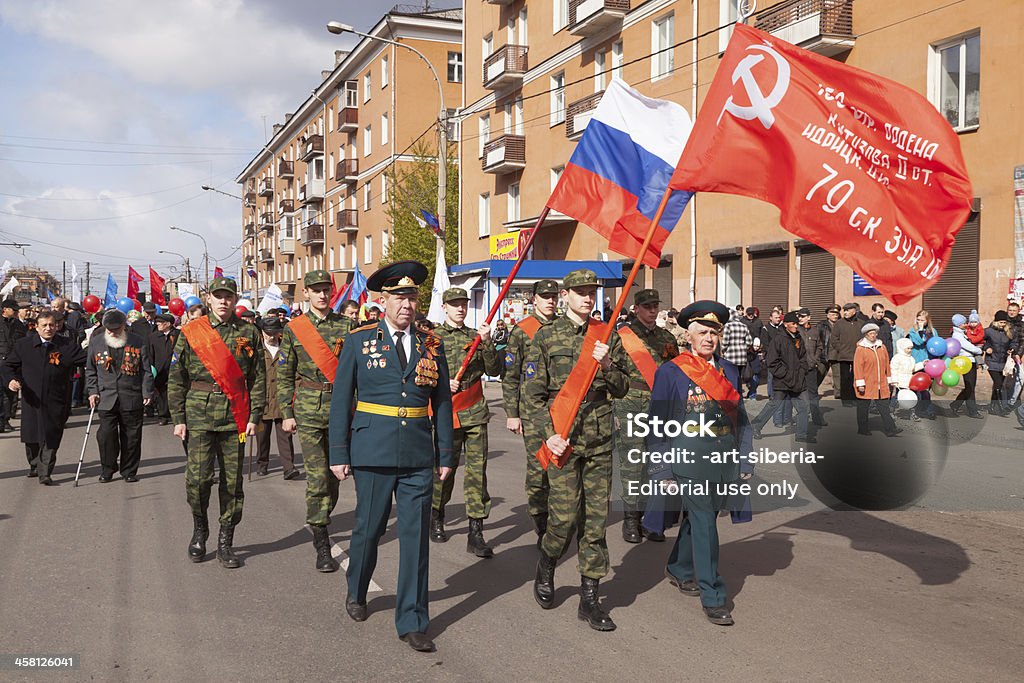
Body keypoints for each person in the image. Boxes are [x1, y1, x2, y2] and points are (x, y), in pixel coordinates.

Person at [328, 260, 454, 653]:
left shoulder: (431, 344)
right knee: (369, 528)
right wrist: (339, 452)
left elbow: (444, 402)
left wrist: (445, 452)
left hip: (417, 452)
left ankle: (413, 619)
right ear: (382, 300)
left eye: (412, 297)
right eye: (399, 297)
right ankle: (358, 589)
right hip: (373, 450)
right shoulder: (358, 340)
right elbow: (341, 400)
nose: (407, 304)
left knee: (416, 539)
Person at [524, 269, 629, 632]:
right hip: (564, 438)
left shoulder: (606, 335)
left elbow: (623, 387)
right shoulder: (545, 336)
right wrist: (548, 434)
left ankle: (590, 597)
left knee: (596, 521)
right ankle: (547, 563)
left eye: (592, 292)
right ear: (565, 294)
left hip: (599, 439)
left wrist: (608, 363)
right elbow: (532, 396)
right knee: (564, 519)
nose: (588, 298)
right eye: (581, 292)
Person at [646, 301, 754, 626]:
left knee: (699, 519)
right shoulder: (671, 371)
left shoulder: (729, 371)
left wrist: (745, 458)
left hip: (722, 459)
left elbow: (742, 421)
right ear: (688, 336)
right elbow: (657, 423)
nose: (709, 338)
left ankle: (679, 567)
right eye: (703, 332)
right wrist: (662, 468)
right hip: (688, 458)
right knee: (706, 521)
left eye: (714, 332)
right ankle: (714, 595)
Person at [168, 277, 265, 569]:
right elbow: (176, 377)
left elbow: (258, 377)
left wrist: (255, 415)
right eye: (218, 296)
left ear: (235, 300)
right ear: (208, 299)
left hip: (234, 415)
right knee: (197, 481)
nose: (223, 301)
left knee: (232, 483)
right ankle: (200, 529)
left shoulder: (248, 331)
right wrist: (178, 418)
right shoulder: (191, 331)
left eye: (229, 296)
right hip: (198, 415)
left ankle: (226, 541)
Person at [278, 270, 351, 572]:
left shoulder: (347, 326)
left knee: (336, 477)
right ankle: (321, 539)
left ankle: (323, 515)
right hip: (308, 408)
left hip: (341, 407)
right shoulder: (295, 329)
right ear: (305, 294)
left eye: (326, 289)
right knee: (318, 475)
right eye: (316, 290)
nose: (322, 295)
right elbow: (284, 375)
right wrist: (286, 413)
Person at [430, 287, 502, 557]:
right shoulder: (432, 338)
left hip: (474, 410)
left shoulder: (476, 336)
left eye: (463, 304)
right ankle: (437, 515)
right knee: (444, 469)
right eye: (455, 304)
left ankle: (476, 530)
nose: (460, 308)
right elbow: (420, 373)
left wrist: (487, 342)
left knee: (477, 472)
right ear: (445, 307)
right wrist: (439, 382)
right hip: (447, 412)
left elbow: (494, 371)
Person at [612, 288, 678, 543]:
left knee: (658, 463)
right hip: (631, 403)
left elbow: (676, 371)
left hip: (661, 405)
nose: (652, 310)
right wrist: (614, 407)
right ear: (636, 309)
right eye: (647, 306)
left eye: (655, 305)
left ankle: (651, 519)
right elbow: (610, 374)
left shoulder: (666, 337)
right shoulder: (622, 337)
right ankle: (631, 519)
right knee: (633, 463)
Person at [501, 279, 559, 545]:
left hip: (562, 409)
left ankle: (560, 520)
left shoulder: (563, 327)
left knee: (562, 468)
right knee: (538, 469)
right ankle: (541, 521)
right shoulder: (522, 331)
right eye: (545, 296)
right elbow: (511, 376)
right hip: (533, 411)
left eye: (554, 296)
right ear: (534, 299)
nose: (550, 301)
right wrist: (512, 413)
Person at [1, 310, 87, 484]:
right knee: (32, 436)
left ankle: (45, 471)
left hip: (57, 398)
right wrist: (11, 380)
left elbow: (85, 359)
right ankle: (34, 465)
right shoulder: (24, 345)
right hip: (31, 398)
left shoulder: (66, 344)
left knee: (51, 435)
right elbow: (8, 366)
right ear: (37, 328)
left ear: (56, 326)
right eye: (45, 325)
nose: (49, 329)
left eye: (52, 325)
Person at [84, 309, 155, 483]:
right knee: (106, 436)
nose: (112, 333)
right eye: (109, 330)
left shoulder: (138, 341)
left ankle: (129, 471)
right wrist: (92, 391)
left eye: (116, 330)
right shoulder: (96, 342)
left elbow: (146, 370)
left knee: (131, 436)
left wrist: (147, 391)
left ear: (124, 327)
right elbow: (91, 371)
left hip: (131, 395)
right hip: (106, 397)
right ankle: (107, 468)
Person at [751, 311, 812, 442]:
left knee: (804, 407)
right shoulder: (778, 339)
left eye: (797, 324)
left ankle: (801, 435)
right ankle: (756, 426)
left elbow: (803, 358)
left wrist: (802, 371)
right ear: (785, 325)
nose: (796, 326)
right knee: (774, 405)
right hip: (783, 381)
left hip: (798, 380)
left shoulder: (798, 338)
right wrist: (785, 374)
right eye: (793, 324)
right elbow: (772, 362)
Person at [256, 317, 297, 478]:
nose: (272, 337)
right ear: (262, 333)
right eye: (268, 333)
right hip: (263, 399)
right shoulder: (257, 351)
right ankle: (262, 463)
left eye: (275, 333)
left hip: (282, 399)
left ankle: (289, 467)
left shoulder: (286, 349)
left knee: (285, 436)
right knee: (262, 437)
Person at [853, 323, 900, 436]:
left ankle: (890, 429)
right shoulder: (861, 349)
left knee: (884, 407)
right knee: (863, 407)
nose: (873, 335)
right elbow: (858, 367)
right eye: (871, 333)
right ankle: (863, 429)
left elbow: (886, 365)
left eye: (875, 333)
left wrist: (889, 379)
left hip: (881, 383)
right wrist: (860, 383)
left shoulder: (881, 347)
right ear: (866, 335)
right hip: (866, 382)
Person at [0, 298, 28, 432]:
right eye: (13, 309)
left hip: (12, 363)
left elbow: (24, 342)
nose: (16, 312)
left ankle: (5, 419)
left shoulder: (19, 325)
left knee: (9, 393)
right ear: (5, 309)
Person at [949, 312, 983, 418]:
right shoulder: (957, 335)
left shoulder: (962, 333)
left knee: (970, 386)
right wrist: (979, 350)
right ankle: (971, 410)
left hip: (970, 361)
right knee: (970, 386)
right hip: (965, 362)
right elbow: (968, 346)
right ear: (959, 325)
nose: (966, 324)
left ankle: (956, 405)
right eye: (964, 323)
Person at [797, 308, 827, 426]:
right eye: (799, 316)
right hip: (798, 368)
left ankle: (817, 419)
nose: (800, 318)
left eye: (803, 316)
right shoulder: (796, 330)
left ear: (809, 317)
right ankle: (787, 418)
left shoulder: (815, 331)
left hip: (811, 367)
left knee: (813, 394)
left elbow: (820, 346)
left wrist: (816, 359)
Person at [907, 310, 939, 419]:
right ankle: (914, 411)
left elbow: (936, 347)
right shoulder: (913, 331)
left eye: (922, 320)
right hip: (917, 363)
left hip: (929, 363)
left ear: (927, 321)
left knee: (926, 388)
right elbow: (918, 342)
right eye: (918, 319)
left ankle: (926, 410)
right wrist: (920, 330)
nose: (920, 322)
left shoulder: (933, 331)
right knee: (916, 387)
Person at [147, 313, 179, 425]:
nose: (158, 324)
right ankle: (163, 415)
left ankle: (176, 415)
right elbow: (150, 354)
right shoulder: (154, 337)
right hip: (159, 370)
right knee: (161, 394)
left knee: (175, 393)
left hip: (175, 369)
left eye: (160, 323)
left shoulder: (178, 335)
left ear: (168, 324)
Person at [830, 303, 863, 405]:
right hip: (843, 356)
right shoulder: (839, 324)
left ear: (854, 311)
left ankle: (855, 397)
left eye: (848, 310)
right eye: (844, 310)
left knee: (855, 377)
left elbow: (864, 338)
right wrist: (840, 349)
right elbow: (834, 339)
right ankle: (846, 400)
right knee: (844, 378)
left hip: (857, 355)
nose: (845, 312)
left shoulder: (861, 323)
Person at [983, 310, 1013, 415]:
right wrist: (987, 348)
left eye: (1004, 322)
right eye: (1001, 322)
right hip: (991, 361)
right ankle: (1001, 407)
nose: (1003, 324)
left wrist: (1011, 349)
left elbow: (1013, 343)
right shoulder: (988, 331)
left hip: (1003, 363)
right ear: (996, 321)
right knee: (998, 383)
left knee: (998, 385)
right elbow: (981, 342)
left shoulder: (1008, 331)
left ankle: (992, 407)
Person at [889, 337, 919, 422]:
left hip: (910, 381)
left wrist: (922, 364)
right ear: (902, 348)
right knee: (896, 398)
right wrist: (894, 380)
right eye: (908, 348)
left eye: (911, 348)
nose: (910, 350)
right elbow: (893, 369)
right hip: (900, 382)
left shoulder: (911, 358)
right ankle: (891, 411)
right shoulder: (897, 358)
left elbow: (913, 369)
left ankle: (912, 413)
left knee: (912, 397)